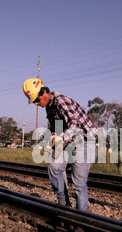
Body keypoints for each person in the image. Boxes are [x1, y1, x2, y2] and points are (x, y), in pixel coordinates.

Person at [23, 78, 96, 211]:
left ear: (44, 92)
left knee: (78, 183)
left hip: (85, 142)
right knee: (54, 167)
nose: (36, 104)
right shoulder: (49, 108)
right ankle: (65, 207)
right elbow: (55, 129)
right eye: (33, 102)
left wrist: (60, 138)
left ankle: (82, 215)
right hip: (70, 142)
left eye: (37, 100)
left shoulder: (61, 101)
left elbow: (75, 124)